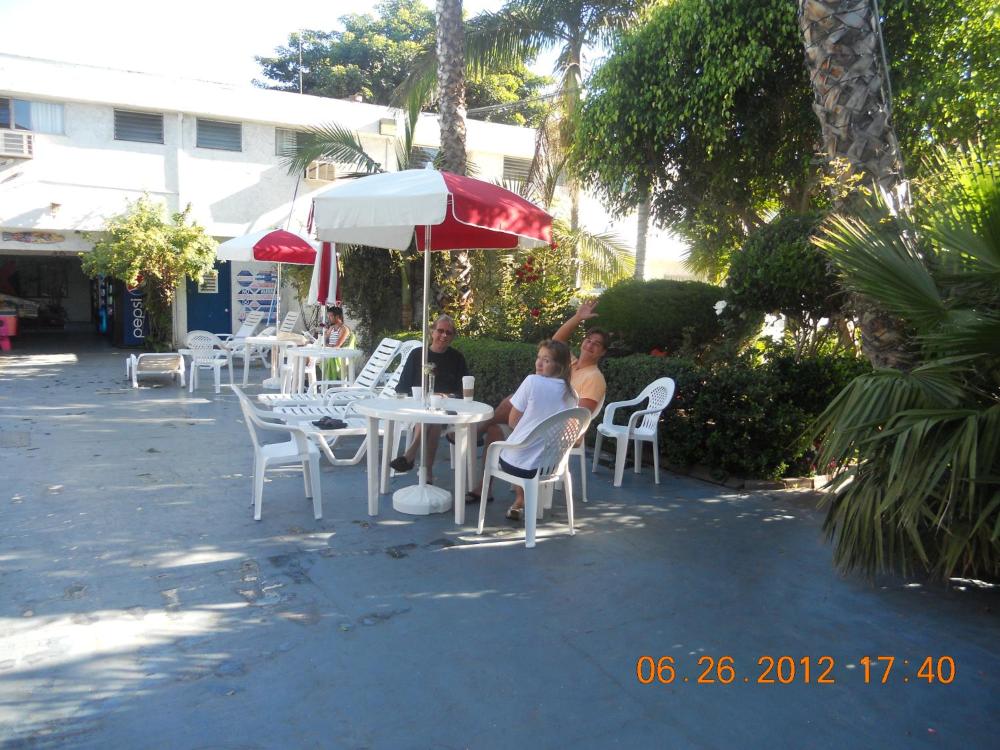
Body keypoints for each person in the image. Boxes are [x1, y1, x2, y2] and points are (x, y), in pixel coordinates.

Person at [470, 339, 578, 521]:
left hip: (522, 466)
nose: (539, 363)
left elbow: (513, 421)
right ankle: (520, 500)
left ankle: (489, 491)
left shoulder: (532, 381)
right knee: (526, 446)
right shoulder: (572, 394)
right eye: (538, 357)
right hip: (552, 465)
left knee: (511, 443)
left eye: (546, 360)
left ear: (559, 366)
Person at [477, 298, 609, 438]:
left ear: (603, 352)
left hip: (553, 430)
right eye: (588, 340)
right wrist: (577, 318)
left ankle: (475, 433)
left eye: (596, 344)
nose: (590, 345)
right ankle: (478, 435)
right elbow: (555, 343)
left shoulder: (594, 377)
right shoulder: (570, 363)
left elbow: (579, 416)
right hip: (540, 417)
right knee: (495, 429)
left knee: (510, 403)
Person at [390, 314, 469, 483]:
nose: (444, 335)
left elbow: (462, 392)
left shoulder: (457, 358)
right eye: (440, 331)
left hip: (446, 410)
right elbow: (402, 387)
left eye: (449, 332)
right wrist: (418, 396)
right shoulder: (418, 355)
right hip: (415, 410)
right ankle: (427, 472)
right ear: (432, 332)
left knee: (433, 419)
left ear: (453, 336)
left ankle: (410, 455)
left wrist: (445, 396)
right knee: (429, 419)